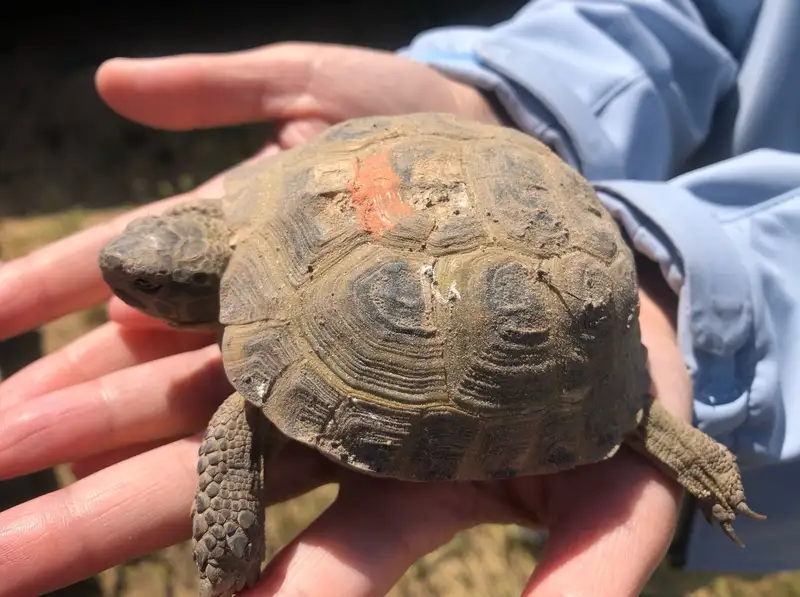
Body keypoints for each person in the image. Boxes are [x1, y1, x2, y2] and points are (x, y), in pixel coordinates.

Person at [0, 1, 798, 595]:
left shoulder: (246, 405)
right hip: (522, 180)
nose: (128, 283)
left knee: (238, 430)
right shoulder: (282, 196)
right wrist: (517, 91)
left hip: (556, 294)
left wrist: (225, 559)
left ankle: (642, 420)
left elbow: (237, 440)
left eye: (144, 286)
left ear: (189, 293)